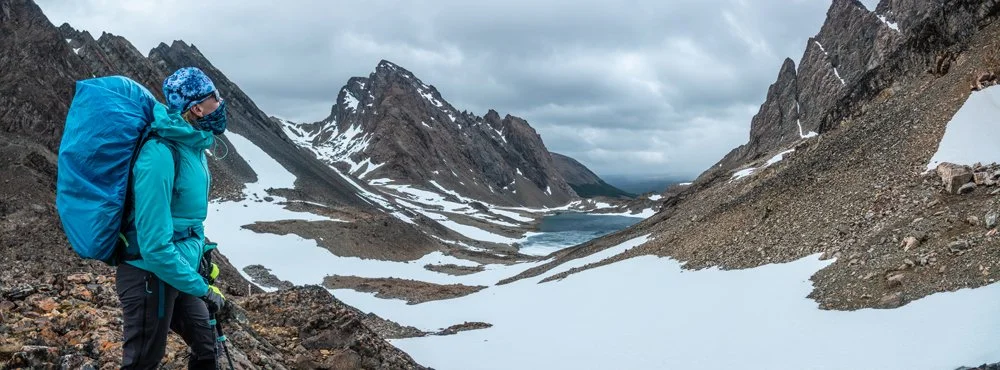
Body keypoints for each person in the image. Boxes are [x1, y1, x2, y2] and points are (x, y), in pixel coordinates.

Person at [115, 67, 229, 370]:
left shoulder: (193, 146)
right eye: (214, 97)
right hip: (148, 275)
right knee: (142, 361)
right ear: (196, 108)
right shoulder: (160, 154)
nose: (220, 102)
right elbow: (154, 245)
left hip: (177, 271)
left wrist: (201, 258)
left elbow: (187, 219)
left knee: (206, 348)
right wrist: (202, 288)